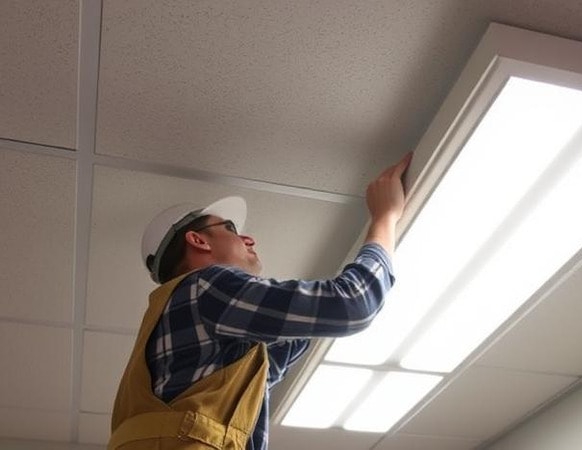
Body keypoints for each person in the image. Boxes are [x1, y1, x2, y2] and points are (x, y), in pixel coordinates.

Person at [109, 153, 411, 450]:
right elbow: (354, 304)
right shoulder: (206, 286)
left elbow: (270, 365)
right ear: (198, 240)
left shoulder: (183, 322)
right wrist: (385, 218)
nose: (249, 239)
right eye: (230, 228)